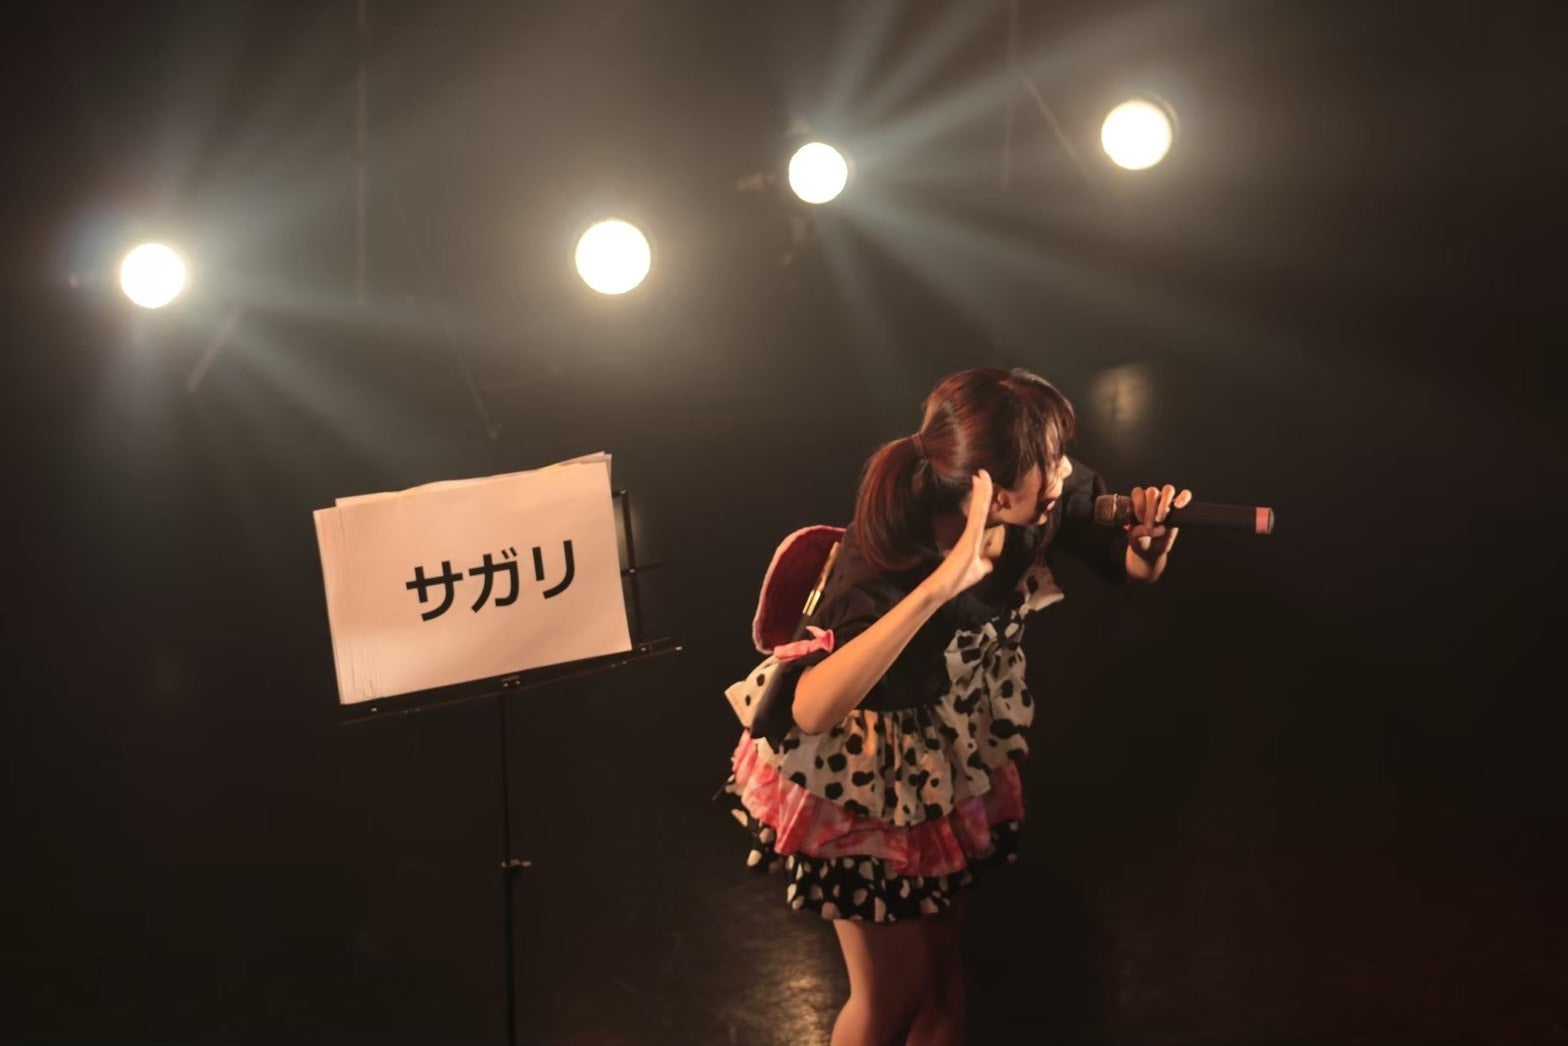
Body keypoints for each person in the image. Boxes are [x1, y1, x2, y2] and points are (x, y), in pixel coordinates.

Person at [718, 365, 1191, 1046]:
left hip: (945, 753)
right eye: (1046, 463)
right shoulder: (884, 552)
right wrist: (941, 585)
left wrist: (1149, 548)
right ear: (989, 489)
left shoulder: (1046, 497)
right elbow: (812, 710)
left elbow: (1132, 567)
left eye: (1059, 454)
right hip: (859, 777)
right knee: (892, 996)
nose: (1062, 476)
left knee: (944, 980)